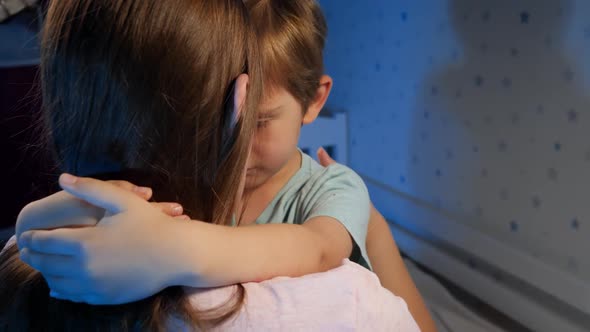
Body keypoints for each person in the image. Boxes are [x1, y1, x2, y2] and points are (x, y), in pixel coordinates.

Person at [3, 0, 419, 330]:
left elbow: (320, 247)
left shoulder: (334, 186)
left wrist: (175, 249)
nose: (236, 143)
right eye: (213, 121)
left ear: (314, 101)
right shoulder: (195, 171)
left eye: (260, 122)